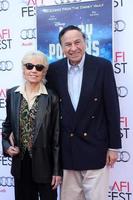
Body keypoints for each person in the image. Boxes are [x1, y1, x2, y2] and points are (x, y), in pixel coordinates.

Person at [46, 25, 122, 200]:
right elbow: (46, 107)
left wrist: (113, 147)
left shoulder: (102, 66)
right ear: (61, 47)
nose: (73, 48)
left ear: (85, 43)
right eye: (68, 44)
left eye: (77, 42)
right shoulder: (54, 70)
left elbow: (112, 108)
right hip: (67, 151)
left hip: (96, 147)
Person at [2, 50, 62, 200]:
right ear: (23, 69)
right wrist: (7, 147)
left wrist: (56, 170)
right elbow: (7, 127)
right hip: (20, 166)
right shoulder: (12, 94)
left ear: (44, 72)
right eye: (29, 66)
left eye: (39, 67)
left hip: (45, 166)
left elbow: (56, 137)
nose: (34, 70)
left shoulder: (52, 97)